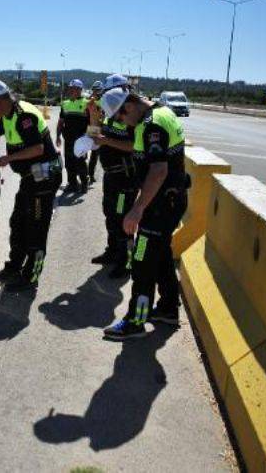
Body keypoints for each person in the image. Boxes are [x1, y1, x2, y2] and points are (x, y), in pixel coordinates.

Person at [98, 89, 188, 340]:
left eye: (120, 116)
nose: (121, 122)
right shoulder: (163, 111)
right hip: (171, 200)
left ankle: (135, 322)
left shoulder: (151, 125)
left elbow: (158, 171)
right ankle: (168, 309)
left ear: (130, 105)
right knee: (160, 257)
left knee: (141, 261)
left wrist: (136, 209)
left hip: (158, 205)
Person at [0, 80, 62, 291]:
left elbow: (38, 149)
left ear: (1, 100)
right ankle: (14, 267)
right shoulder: (7, 116)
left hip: (44, 179)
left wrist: (8, 158)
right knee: (18, 222)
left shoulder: (24, 116)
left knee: (36, 228)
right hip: (31, 178)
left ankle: (31, 277)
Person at [88, 82, 137, 279]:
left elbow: (134, 146)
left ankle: (126, 261)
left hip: (126, 179)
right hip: (111, 176)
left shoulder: (132, 120)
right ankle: (112, 252)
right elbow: (94, 136)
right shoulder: (109, 115)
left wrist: (107, 140)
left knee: (122, 219)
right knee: (110, 214)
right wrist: (93, 115)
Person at [55, 79, 89, 193]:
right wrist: (58, 136)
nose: (71, 90)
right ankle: (72, 184)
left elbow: (92, 122)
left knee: (80, 163)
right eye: (70, 88)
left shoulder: (87, 103)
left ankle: (84, 183)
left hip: (81, 140)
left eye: (74, 88)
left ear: (80, 90)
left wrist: (91, 139)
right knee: (69, 163)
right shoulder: (65, 103)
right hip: (68, 139)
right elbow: (61, 122)